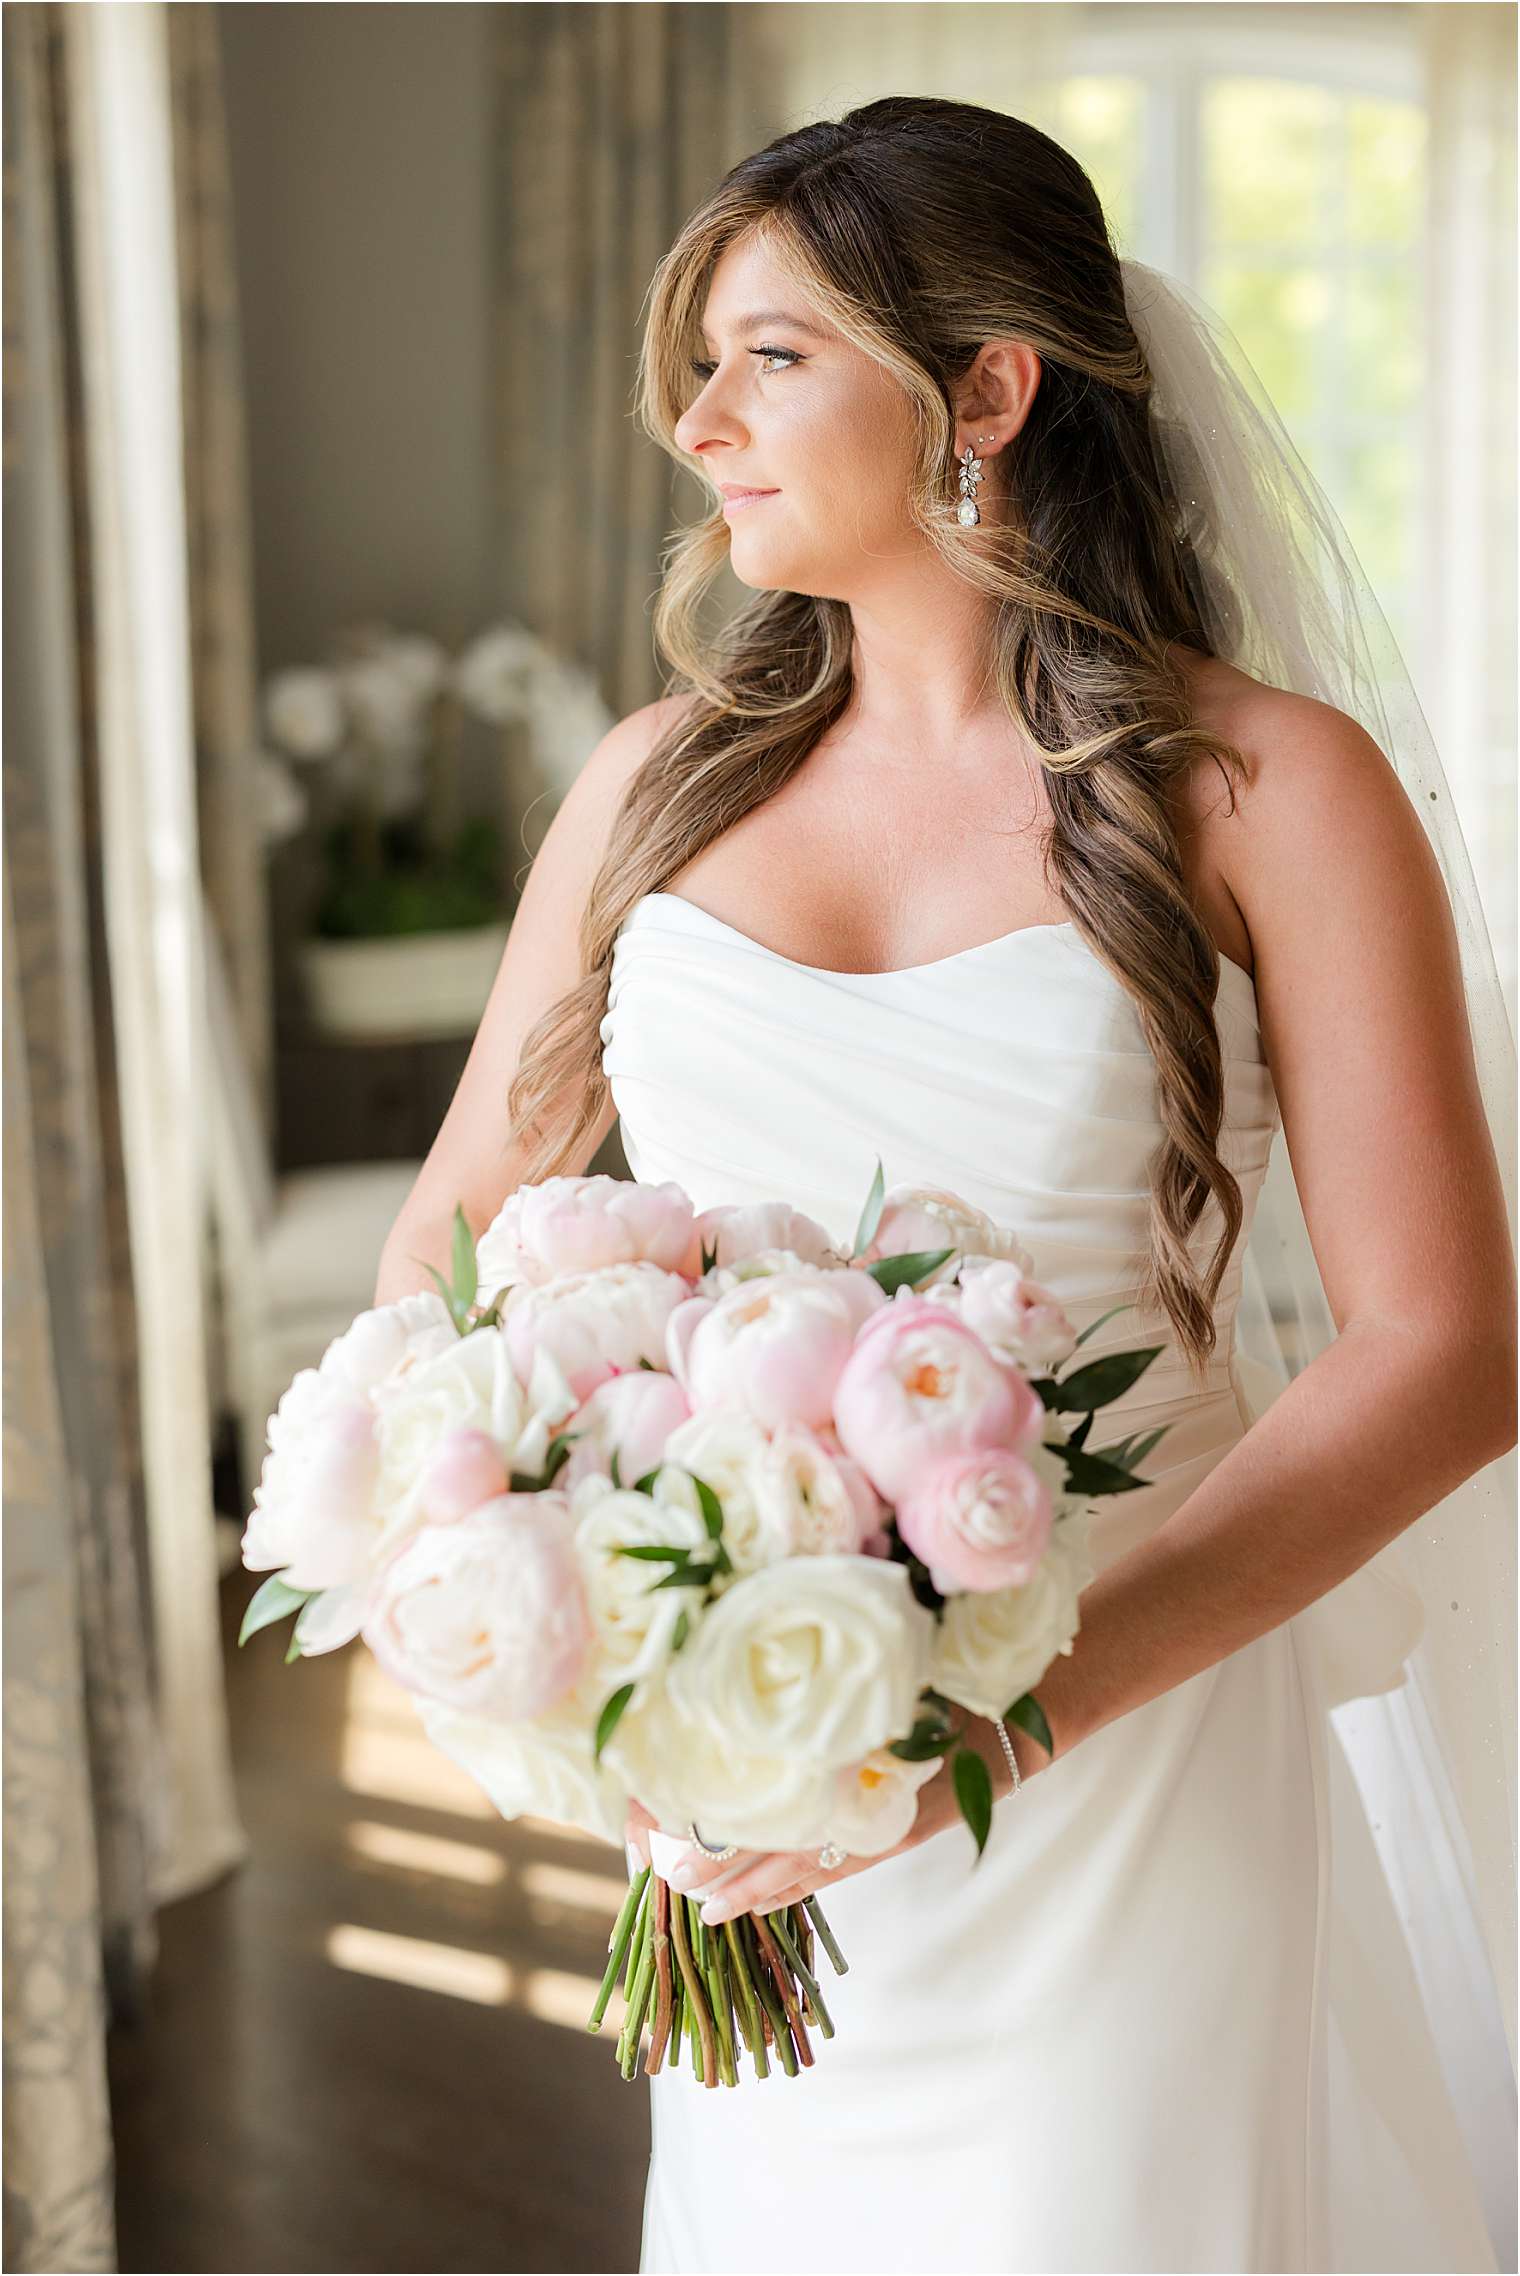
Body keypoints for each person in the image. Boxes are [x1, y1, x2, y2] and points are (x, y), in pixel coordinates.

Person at [375, 97, 1516, 2276]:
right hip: (740, 1771)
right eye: (699, 363)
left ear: (985, 388)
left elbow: (1448, 1353)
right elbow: (455, 1247)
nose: (698, 420)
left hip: (1128, 1770)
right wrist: (570, 1629)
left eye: (770, 357)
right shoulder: (646, 788)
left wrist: (1001, 1713)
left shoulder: (1264, 789)